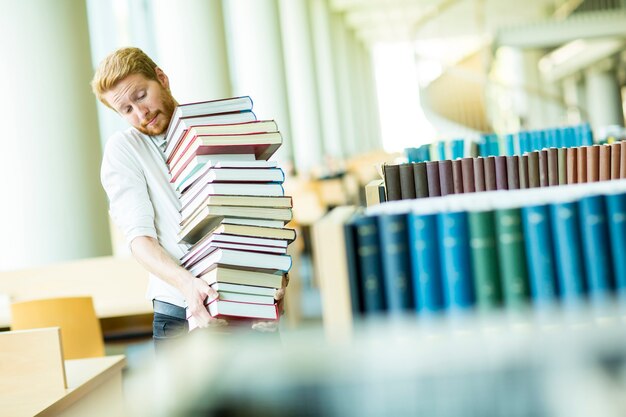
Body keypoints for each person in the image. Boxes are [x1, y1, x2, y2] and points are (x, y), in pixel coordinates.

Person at [91, 47, 286, 351]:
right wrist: (187, 285)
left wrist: (274, 273)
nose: (140, 113)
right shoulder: (124, 150)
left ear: (162, 78)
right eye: (126, 110)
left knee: (273, 399)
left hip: (247, 301)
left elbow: (256, 212)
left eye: (141, 96)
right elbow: (140, 240)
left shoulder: (216, 128)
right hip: (181, 314)